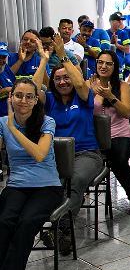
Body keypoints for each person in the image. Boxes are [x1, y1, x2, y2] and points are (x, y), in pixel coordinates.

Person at [32, 37, 104, 256]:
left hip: (87, 154)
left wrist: (63, 57)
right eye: (58, 79)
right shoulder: (51, 101)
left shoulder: (83, 97)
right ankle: (61, 232)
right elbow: (33, 90)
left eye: (66, 77)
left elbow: (81, 83)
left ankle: (60, 229)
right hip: (55, 156)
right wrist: (44, 60)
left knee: (76, 180)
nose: (62, 82)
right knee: (52, 184)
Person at [0, 78, 64, 270]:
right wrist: (6, 127)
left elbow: (39, 154)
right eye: (18, 96)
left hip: (47, 186)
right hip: (16, 185)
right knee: (4, 220)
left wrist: (14, 129)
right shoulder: (1, 124)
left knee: (26, 223)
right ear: (11, 98)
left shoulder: (47, 122)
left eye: (29, 96)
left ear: (36, 100)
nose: (23, 101)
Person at [88, 50, 130, 215]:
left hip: (119, 133)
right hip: (94, 134)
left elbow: (126, 113)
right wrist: (96, 94)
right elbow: (86, 111)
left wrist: (110, 95)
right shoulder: (88, 84)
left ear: (115, 66)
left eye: (108, 63)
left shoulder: (122, 86)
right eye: (100, 62)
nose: (103, 66)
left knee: (118, 161)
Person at [107, 13, 130, 78]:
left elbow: (127, 50)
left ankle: (123, 77)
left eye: (121, 21)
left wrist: (116, 45)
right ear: (111, 22)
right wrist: (111, 43)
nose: (120, 23)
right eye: (118, 21)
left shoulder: (123, 33)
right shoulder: (105, 33)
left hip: (120, 58)